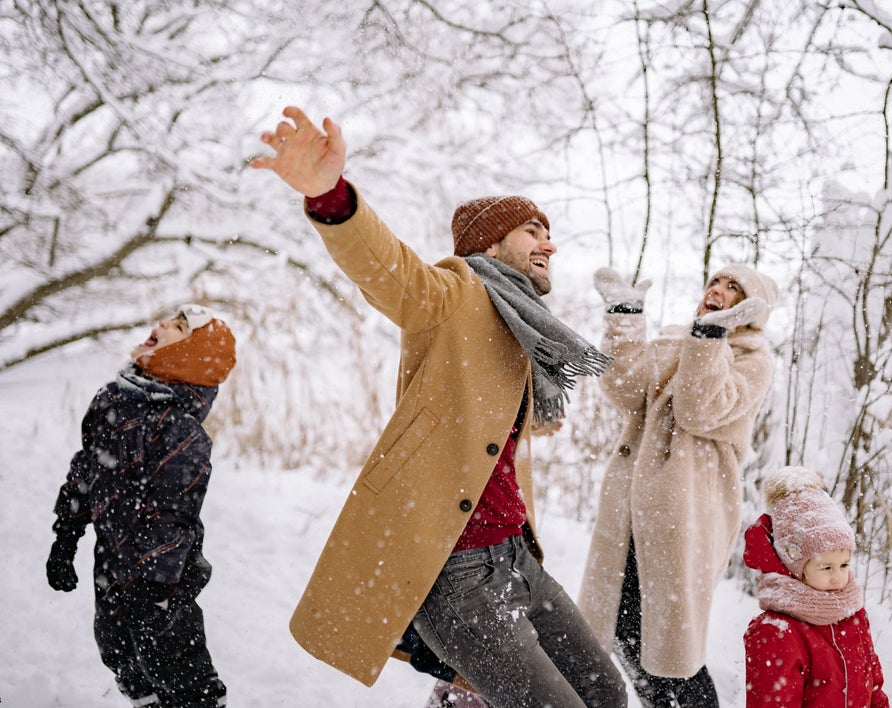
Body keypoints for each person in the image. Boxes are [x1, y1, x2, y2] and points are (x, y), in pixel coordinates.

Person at [250, 106, 627, 708]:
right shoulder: (456, 294)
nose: (548, 243)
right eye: (532, 230)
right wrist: (331, 197)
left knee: (606, 690)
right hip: (457, 572)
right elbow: (390, 271)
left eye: (547, 231)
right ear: (491, 243)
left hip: (515, 557)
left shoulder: (522, 326)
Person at [578, 264, 779, 707]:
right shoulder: (675, 337)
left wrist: (709, 340)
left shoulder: (752, 360)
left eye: (734, 289)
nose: (718, 290)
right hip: (631, 511)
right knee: (623, 630)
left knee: (671, 649)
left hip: (685, 514)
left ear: (752, 311)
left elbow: (697, 410)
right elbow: (624, 388)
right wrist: (625, 316)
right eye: (716, 282)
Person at [45, 304, 236, 708]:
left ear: (188, 356)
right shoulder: (114, 401)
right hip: (113, 560)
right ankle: (145, 702)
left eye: (179, 327)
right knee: (119, 650)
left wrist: (155, 589)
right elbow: (88, 467)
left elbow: (173, 517)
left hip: (162, 578)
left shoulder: (181, 432)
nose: (163, 323)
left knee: (175, 662)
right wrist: (67, 533)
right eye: (170, 318)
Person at [742, 466, 889, 707]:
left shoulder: (852, 616)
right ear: (795, 567)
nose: (838, 578)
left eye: (843, 565)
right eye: (826, 568)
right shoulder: (777, 631)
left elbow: (874, 688)